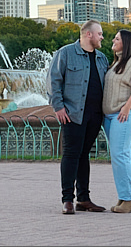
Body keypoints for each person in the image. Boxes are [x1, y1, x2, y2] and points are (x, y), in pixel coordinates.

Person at [48, 19, 111, 215]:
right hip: (73, 114)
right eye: (99, 33)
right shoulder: (65, 53)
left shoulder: (102, 59)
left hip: (95, 115)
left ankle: (84, 199)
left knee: (85, 155)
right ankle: (67, 199)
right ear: (88, 34)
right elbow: (53, 81)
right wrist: (58, 107)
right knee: (71, 154)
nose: (102, 37)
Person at [102, 29, 131, 213]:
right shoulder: (117, 63)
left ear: (126, 42)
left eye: (117, 38)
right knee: (120, 156)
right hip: (111, 116)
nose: (113, 40)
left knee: (120, 155)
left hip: (124, 114)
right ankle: (127, 198)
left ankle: (129, 198)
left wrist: (127, 107)